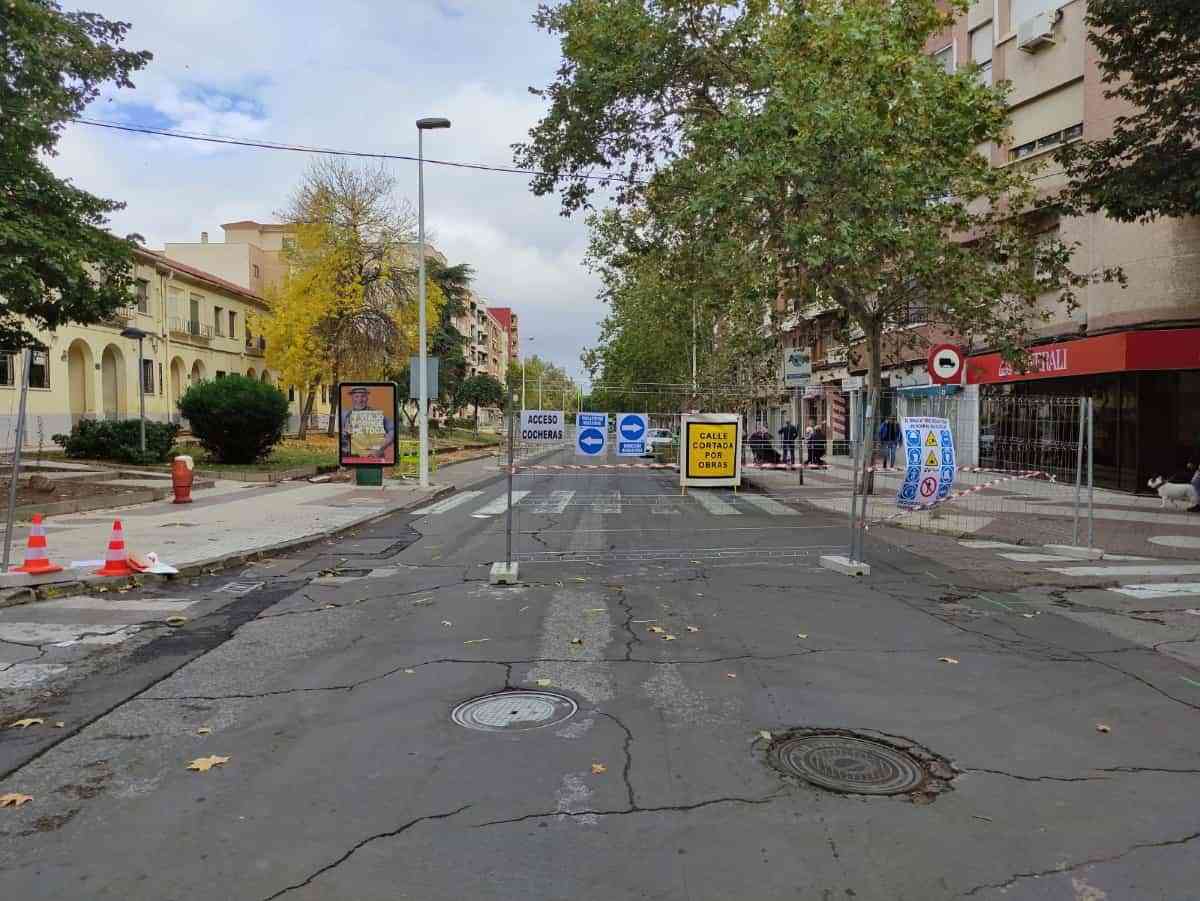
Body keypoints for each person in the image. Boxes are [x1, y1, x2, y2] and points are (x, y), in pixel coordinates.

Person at [340, 385, 396, 463]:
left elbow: (393, 430)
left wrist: (381, 447)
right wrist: (344, 433)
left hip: (373, 457)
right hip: (349, 457)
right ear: (352, 398)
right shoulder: (344, 416)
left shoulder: (376, 415)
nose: (360, 400)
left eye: (363, 396)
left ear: (367, 397)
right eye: (356, 396)